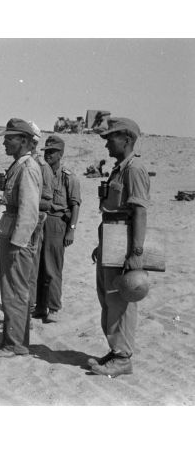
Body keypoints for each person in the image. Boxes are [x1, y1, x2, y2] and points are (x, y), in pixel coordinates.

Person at [89, 118, 150, 377]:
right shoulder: (119, 169)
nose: (106, 144)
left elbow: (138, 212)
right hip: (111, 239)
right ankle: (116, 351)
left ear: (126, 139)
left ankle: (123, 357)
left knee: (121, 301)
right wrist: (102, 245)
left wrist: (135, 252)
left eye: (110, 138)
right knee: (108, 299)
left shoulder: (134, 169)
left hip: (123, 243)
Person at [0, 119, 42, 357]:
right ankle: (12, 341)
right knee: (11, 290)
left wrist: (17, 243)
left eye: (9, 138)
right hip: (12, 236)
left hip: (18, 240)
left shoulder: (28, 168)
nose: (4, 141)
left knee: (15, 292)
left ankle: (16, 344)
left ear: (23, 140)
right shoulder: (19, 165)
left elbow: (29, 212)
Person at [34, 134, 81, 322]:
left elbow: (75, 205)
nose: (48, 155)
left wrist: (72, 229)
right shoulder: (40, 172)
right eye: (46, 151)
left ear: (60, 154)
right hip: (41, 221)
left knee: (53, 267)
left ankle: (53, 307)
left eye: (52, 152)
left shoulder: (69, 177)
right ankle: (40, 306)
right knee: (38, 267)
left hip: (57, 223)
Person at [26, 122, 54, 324]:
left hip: (34, 223)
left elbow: (47, 200)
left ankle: (30, 305)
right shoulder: (25, 164)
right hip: (23, 222)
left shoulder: (42, 168)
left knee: (32, 267)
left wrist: (27, 202)